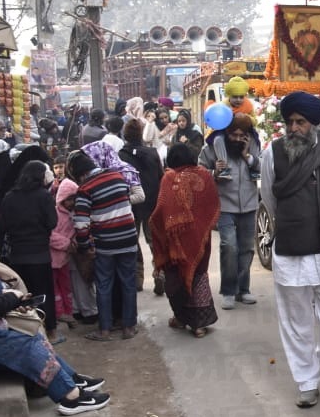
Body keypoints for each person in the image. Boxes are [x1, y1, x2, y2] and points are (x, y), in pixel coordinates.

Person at [260, 92, 320, 408]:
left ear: (314, 123)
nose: (294, 128)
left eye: (300, 122)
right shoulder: (273, 153)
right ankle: (307, 382)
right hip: (290, 248)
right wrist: (293, 220)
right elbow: (269, 197)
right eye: (290, 122)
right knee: (295, 321)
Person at [0, 249, 109, 415]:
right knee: (24, 344)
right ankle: (71, 397)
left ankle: (70, 379)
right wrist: (13, 298)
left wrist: (10, 298)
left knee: (31, 335)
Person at [150, 143, 220, 338]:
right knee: (198, 274)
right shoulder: (205, 175)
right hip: (200, 237)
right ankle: (199, 325)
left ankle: (181, 318)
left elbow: (162, 209)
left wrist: (155, 223)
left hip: (176, 243)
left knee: (176, 277)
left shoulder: (169, 178)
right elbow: (212, 203)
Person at [68, 149, 139, 342]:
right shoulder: (118, 176)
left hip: (105, 243)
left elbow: (81, 224)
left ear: (81, 174)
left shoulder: (85, 189)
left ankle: (105, 330)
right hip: (129, 238)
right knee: (128, 283)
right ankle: (129, 327)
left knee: (104, 285)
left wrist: (84, 246)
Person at [200, 113, 260, 310]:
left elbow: (263, 166)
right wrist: (214, 172)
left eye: (242, 135)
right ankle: (228, 290)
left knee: (246, 249)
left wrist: (248, 157)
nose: (237, 139)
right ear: (227, 133)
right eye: (234, 135)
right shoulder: (214, 146)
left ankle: (243, 289)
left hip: (249, 205)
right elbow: (200, 171)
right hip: (224, 205)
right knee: (229, 247)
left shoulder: (253, 144)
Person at [0, 161, 61, 344]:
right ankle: (51, 332)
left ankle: (29, 332)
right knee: (44, 294)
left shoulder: (9, 197)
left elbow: (1, 226)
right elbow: (52, 222)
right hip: (39, 254)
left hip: (17, 256)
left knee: (24, 296)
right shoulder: (43, 196)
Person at [119, 120, 164, 295]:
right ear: (141, 135)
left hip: (130, 204)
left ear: (125, 135)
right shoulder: (152, 153)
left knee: (132, 242)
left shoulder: (120, 155)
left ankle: (137, 278)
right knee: (155, 242)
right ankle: (160, 272)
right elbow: (161, 177)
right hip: (152, 204)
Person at [49, 179, 78, 328]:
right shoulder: (54, 213)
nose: (71, 202)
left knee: (66, 286)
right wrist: (67, 244)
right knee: (55, 288)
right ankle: (60, 313)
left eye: (74, 199)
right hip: (53, 258)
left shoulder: (73, 214)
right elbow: (50, 235)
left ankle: (69, 312)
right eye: (69, 199)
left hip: (65, 259)